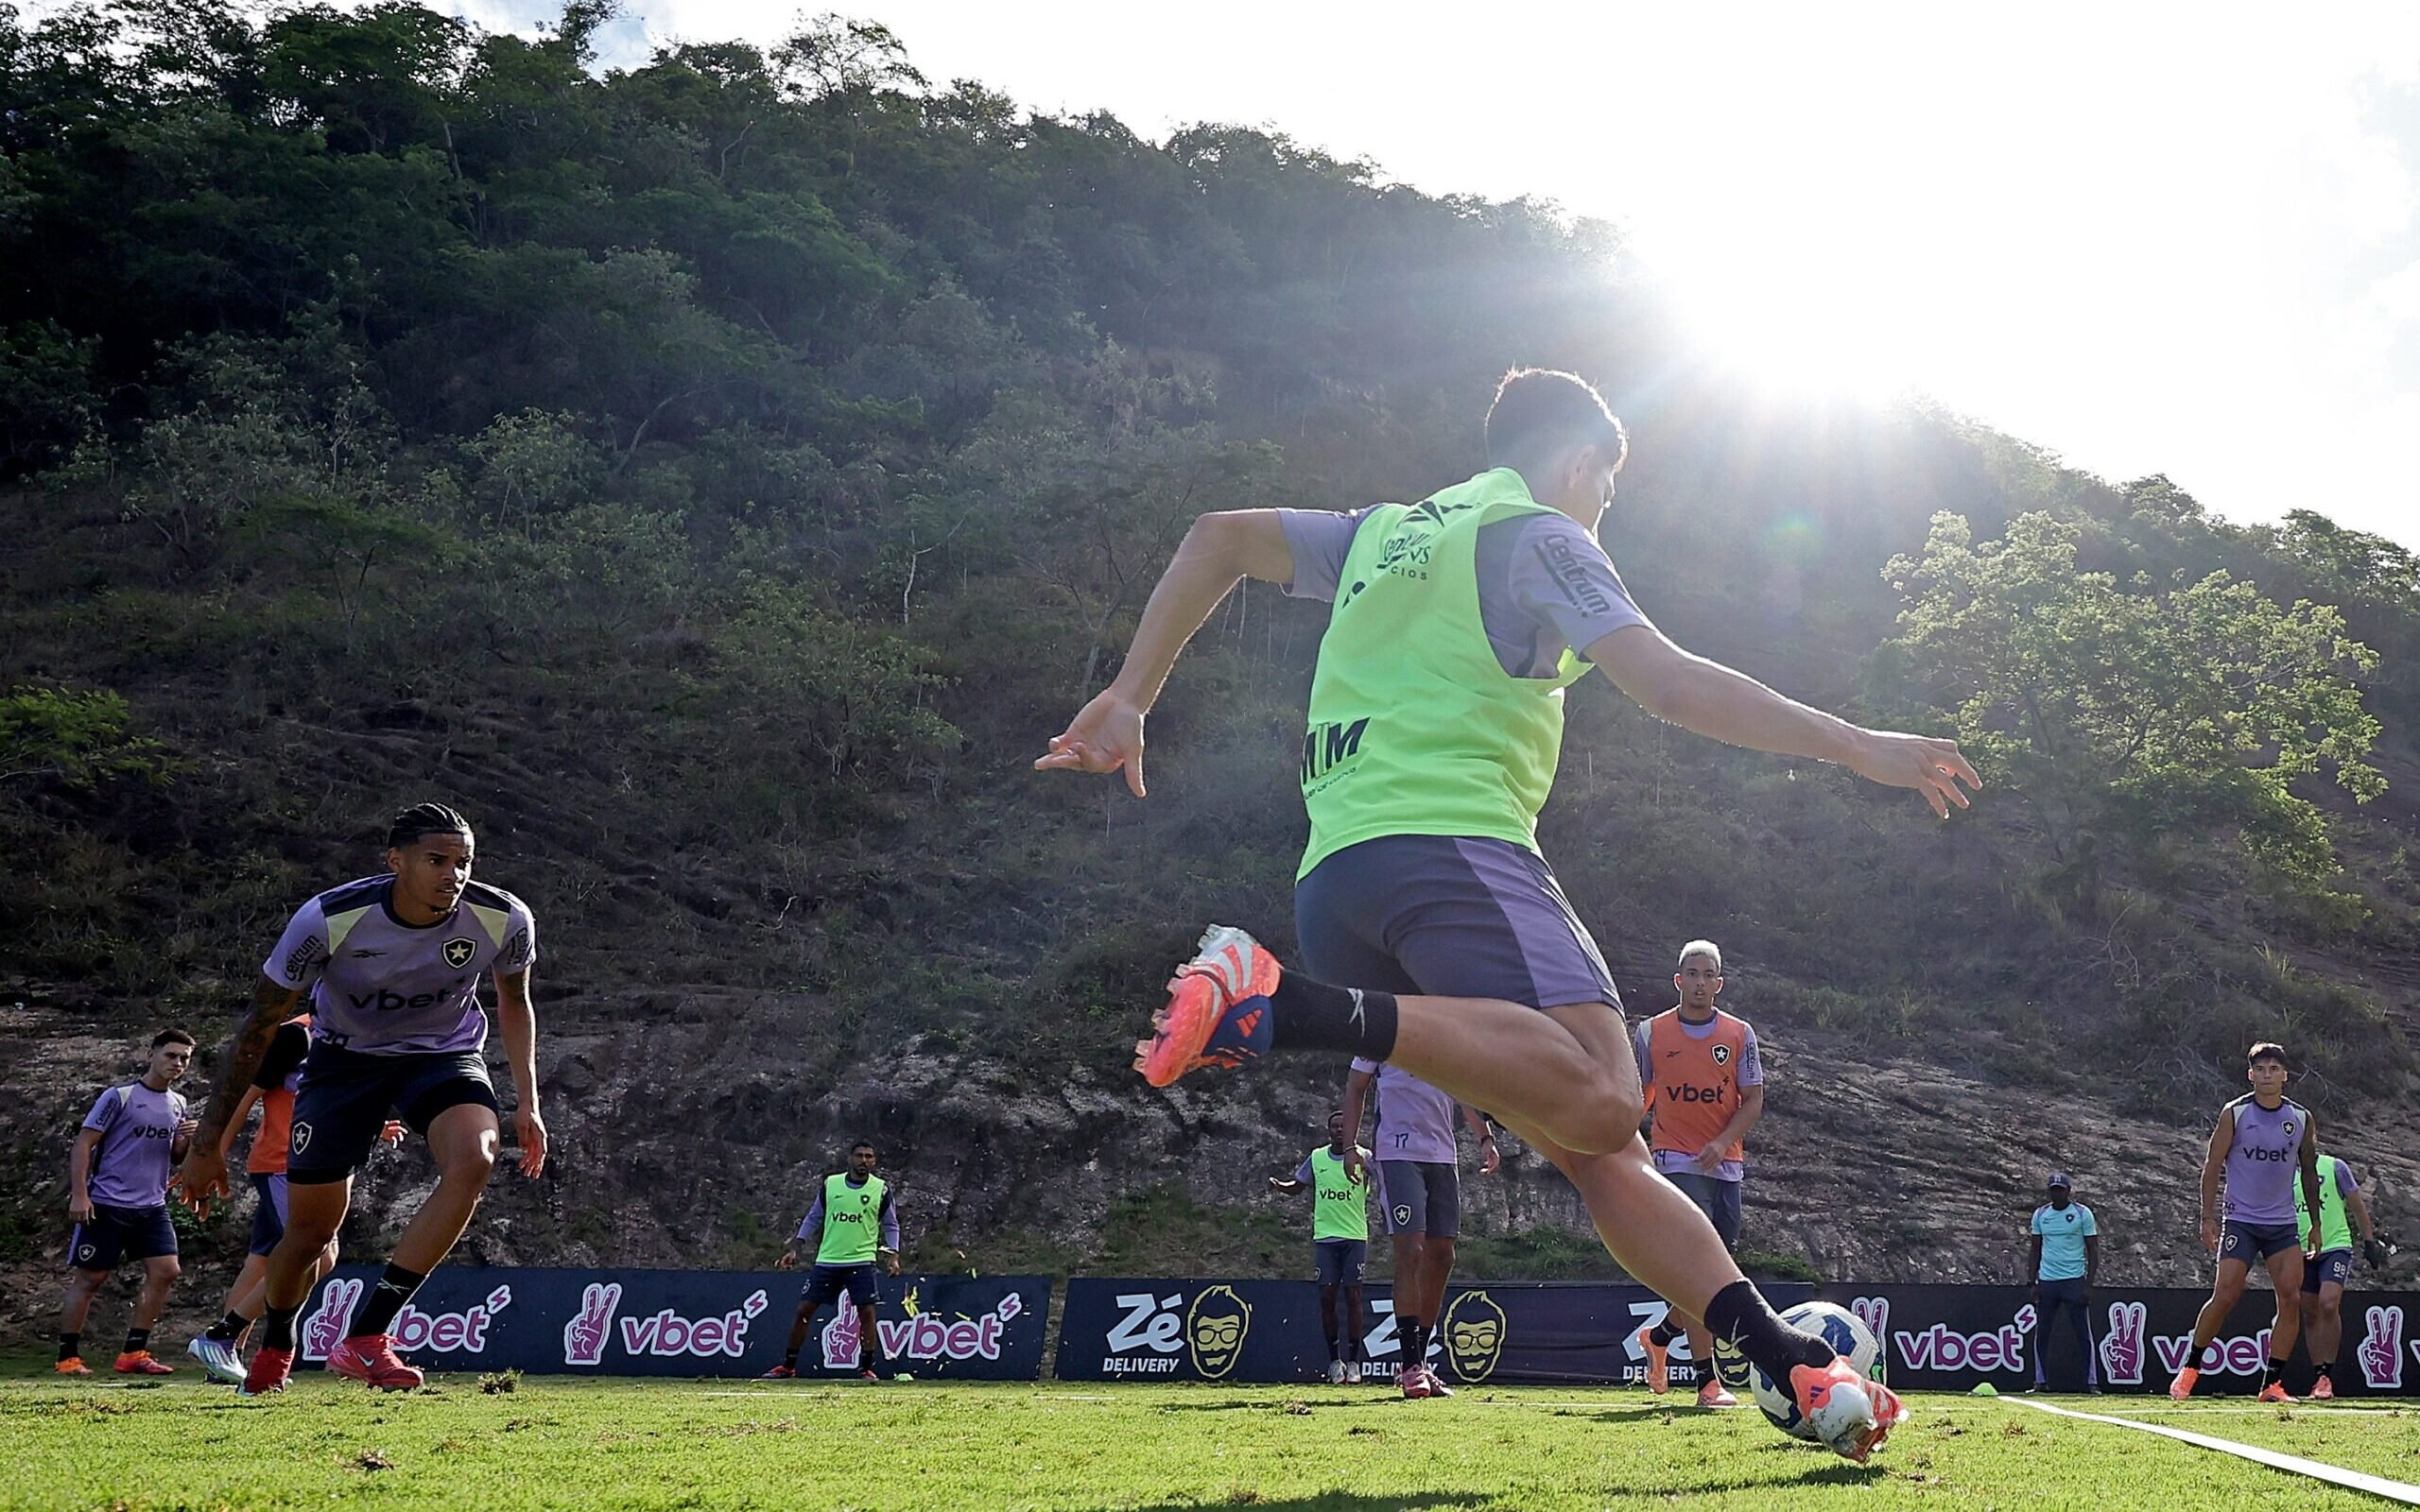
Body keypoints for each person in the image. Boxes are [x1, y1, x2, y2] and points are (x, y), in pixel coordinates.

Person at [1039, 366, 1977, 1461]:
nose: (1600, 515)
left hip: (1338, 873)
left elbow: (1217, 535)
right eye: (1605, 492)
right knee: (1603, 1086)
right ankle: (1279, 1004)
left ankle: (1789, 1365)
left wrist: (1132, 693)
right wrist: (1856, 744)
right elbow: (1669, 683)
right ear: (1580, 463)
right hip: (1452, 851)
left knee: (1596, 1148)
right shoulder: (1540, 533)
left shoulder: (1380, 533)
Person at [172, 801, 546, 1397]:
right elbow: (259, 1029)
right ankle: (277, 1339)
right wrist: (209, 1143)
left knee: (475, 1156)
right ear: (395, 861)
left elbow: (514, 1001)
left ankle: (368, 1335)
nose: (454, 875)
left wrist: (528, 1101)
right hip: (344, 1063)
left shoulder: (503, 917)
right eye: (437, 861)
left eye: (464, 862)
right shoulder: (328, 919)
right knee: (311, 1234)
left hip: (440, 1056)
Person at [185, 1015, 400, 1383]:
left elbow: (333, 1098)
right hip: (283, 1163)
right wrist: (212, 1154)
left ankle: (221, 1358)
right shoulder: (294, 1036)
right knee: (320, 1254)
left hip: (318, 1164)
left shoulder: (358, 1033)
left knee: (262, 1263)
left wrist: (374, 1126)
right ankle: (221, 1336)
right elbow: (243, 1097)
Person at [1632, 940, 1762, 1408]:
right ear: (1678, 980)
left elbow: (1753, 1100)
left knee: (1714, 1271)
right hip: (1674, 1160)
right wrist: (1627, 1136)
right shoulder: (1651, 1033)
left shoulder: (1739, 1034)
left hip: (1725, 1165)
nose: (1701, 982)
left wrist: (1722, 1143)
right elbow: (1641, 1094)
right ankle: (1708, 1382)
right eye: (1693, 973)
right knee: (1698, 1269)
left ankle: (1661, 1337)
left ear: (1719, 983)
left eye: (1709, 975)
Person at [2170, 1042, 2323, 1403]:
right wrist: (2207, 1216)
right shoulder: (2235, 1113)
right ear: (2250, 1074)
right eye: (2261, 1069)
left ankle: (2271, 1384)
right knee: (2225, 1296)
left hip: (2283, 1224)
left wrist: (2315, 1223)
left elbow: (2309, 1171)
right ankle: (2190, 1370)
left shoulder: (2300, 1118)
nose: (2267, 1076)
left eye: (2274, 1069)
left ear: (2285, 1075)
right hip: (2241, 1220)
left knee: (2290, 1299)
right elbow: (2211, 1167)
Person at [1342, 1058, 1495, 1397]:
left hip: (1442, 1154)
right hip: (1397, 1152)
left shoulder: (1446, 1028)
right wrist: (1350, 1146)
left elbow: (1464, 1091)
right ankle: (1410, 1365)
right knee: (1411, 1249)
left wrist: (1485, 1138)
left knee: (1443, 1255)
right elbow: (1356, 1087)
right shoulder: (1382, 1027)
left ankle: (1421, 1362)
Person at [57, 1030, 197, 1376]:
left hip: (152, 1205)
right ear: (151, 1054)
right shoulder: (119, 1097)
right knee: (91, 1278)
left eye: (184, 1058)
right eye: (171, 1055)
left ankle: (134, 1352)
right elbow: (84, 1144)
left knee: (167, 1271)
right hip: (107, 1202)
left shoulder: (178, 1103)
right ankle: (67, 1357)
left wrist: (185, 1141)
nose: (177, 1064)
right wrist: (80, 1193)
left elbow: (175, 1156)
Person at [769, 1141, 901, 1381]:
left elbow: (891, 1224)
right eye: (859, 1156)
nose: (864, 1161)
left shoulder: (880, 1189)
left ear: (874, 1161)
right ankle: (788, 1367)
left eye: (869, 1156)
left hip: (861, 1259)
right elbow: (813, 1217)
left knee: (867, 1312)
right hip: (829, 1259)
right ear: (850, 1159)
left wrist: (893, 1254)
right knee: (804, 1310)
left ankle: (866, 1369)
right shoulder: (832, 1185)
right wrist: (796, 1247)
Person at [1268, 1110, 1374, 1383]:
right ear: (1329, 1132)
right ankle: (1334, 1361)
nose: (1340, 1131)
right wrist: (1281, 1187)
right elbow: (1299, 1185)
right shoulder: (1317, 1158)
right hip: (1325, 1238)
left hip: (1354, 1237)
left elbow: (1385, 1178)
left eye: (1344, 1126)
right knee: (1327, 1298)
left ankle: (1354, 1362)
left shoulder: (1364, 1157)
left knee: (1354, 1298)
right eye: (1335, 1127)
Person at [2294, 1145, 2383, 1400]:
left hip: (2335, 1246)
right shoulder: (2287, 1172)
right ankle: (2319, 1376)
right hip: (2302, 1249)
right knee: (2310, 1311)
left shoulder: (2335, 1167)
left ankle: (2327, 1373)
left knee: (2328, 1303)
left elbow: (2356, 1205)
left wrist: (2368, 1242)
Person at [2026, 1173, 2100, 1394]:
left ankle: (2091, 1382)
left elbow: (2093, 1249)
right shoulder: (2041, 1215)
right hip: (2048, 1281)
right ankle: (2041, 1381)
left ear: (2068, 1191)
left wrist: (2088, 1284)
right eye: (2053, 1190)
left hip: (2073, 1280)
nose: (2057, 1194)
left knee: (2082, 1334)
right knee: (2043, 1332)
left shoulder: (2081, 1213)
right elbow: (2035, 1249)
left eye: (2061, 1189)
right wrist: (2032, 1281)